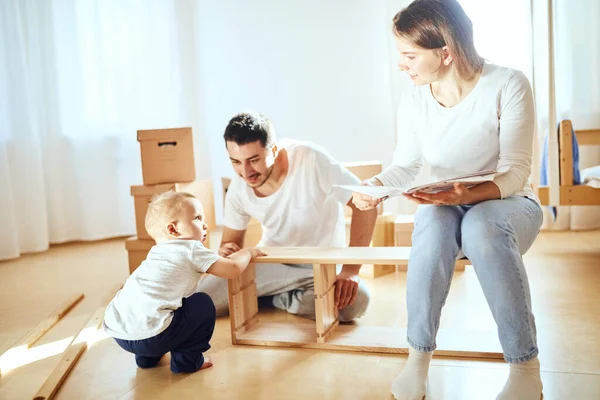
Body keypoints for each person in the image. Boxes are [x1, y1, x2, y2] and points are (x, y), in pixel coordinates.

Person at [352, 1, 543, 399]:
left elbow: (515, 172)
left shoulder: (508, 83)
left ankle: (525, 368)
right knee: (432, 222)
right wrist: (375, 186)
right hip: (448, 208)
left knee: (482, 224)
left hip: (511, 206)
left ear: (446, 52)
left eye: (409, 55)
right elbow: (404, 167)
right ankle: (417, 361)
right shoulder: (415, 99)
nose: (401, 65)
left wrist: (468, 193)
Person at [196, 111, 378, 321]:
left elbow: (366, 205)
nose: (246, 172)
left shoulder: (311, 158)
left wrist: (351, 270)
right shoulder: (239, 187)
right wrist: (226, 251)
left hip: (320, 266)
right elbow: (231, 245)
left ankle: (273, 298)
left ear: (274, 149)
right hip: (271, 264)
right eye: (236, 162)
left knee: (356, 303)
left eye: (254, 160)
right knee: (202, 299)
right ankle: (282, 295)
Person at [103, 191, 265, 374]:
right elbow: (233, 268)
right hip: (153, 335)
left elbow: (206, 264)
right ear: (173, 229)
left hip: (121, 333)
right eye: (197, 218)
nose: (205, 225)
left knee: (153, 308)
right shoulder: (191, 248)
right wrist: (249, 252)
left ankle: (147, 359)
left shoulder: (156, 253)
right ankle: (187, 362)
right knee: (201, 304)